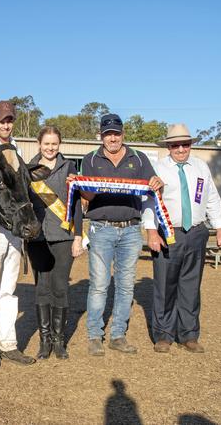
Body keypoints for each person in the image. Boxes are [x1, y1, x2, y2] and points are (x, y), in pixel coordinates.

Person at [79, 113, 163, 356]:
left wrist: (158, 183)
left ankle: (118, 335)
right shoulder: (90, 159)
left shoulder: (138, 158)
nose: (112, 138)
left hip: (130, 230)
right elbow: (86, 197)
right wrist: (87, 187)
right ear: (101, 136)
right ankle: (95, 335)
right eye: (108, 134)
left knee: (126, 286)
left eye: (116, 133)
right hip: (101, 228)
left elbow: (153, 188)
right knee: (99, 285)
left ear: (123, 134)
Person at [143, 123, 221, 353]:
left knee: (191, 286)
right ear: (168, 146)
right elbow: (149, 202)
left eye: (185, 144)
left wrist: (219, 228)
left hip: (197, 232)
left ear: (190, 145)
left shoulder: (201, 167)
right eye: (176, 145)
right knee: (165, 286)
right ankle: (164, 335)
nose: (181, 149)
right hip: (169, 233)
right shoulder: (157, 168)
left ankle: (189, 335)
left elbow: (212, 198)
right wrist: (151, 232)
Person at [0, 100, 36, 370]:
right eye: (2, 120)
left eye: (10, 120)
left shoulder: (17, 151)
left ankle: (9, 344)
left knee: (9, 291)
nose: (6, 124)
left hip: (15, 231)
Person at [27, 126, 85, 360]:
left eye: (54, 144)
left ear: (59, 144)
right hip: (37, 237)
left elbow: (77, 204)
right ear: (39, 144)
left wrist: (78, 236)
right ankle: (44, 340)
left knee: (60, 288)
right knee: (42, 288)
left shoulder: (70, 167)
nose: (50, 148)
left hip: (64, 236)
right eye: (46, 144)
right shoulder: (29, 169)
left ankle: (59, 341)